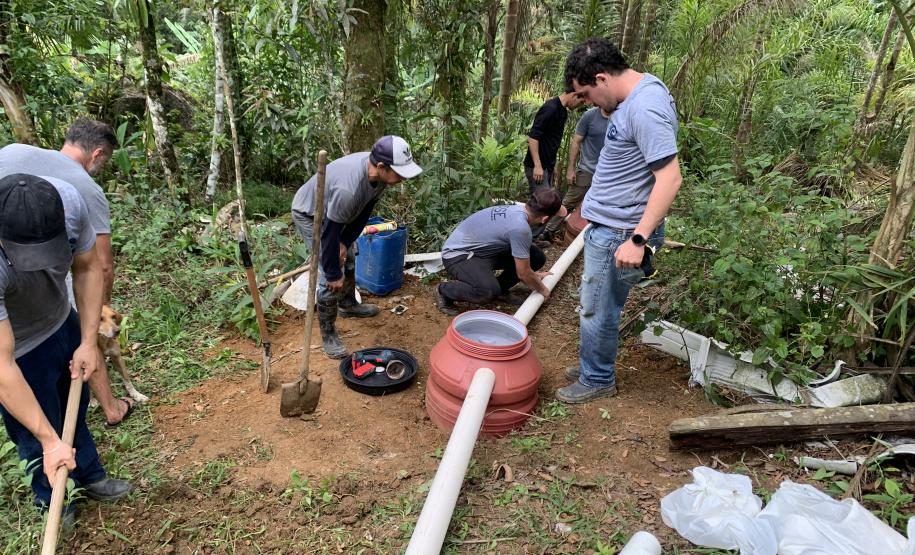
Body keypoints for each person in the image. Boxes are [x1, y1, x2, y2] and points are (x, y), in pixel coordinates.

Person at [0, 174, 131, 529]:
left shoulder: (70, 202)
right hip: (20, 346)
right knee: (35, 433)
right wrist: (48, 438)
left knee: (74, 407)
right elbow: (2, 366)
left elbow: (88, 268)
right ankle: (55, 503)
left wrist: (88, 340)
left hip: (61, 319)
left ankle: (91, 476)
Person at [556, 37, 682, 404]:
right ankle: (591, 365)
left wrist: (638, 240)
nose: (590, 103)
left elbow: (670, 177)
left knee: (599, 307)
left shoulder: (644, 109)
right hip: (613, 226)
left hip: (622, 232)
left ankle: (597, 379)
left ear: (601, 79)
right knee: (594, 302)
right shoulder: (642, 92)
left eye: (587, 94)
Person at [0, 118, 134, 427]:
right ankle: (110, 409)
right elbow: (100, 265)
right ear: (98, 153)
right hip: (48, 285)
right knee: (82, 337)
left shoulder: (12, 152)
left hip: (13, 301)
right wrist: (100, 311)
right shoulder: (83, 190)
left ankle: (58, 426)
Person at [292, 136, 422, 359]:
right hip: (311, 214)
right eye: (399, 173)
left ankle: (348, 304)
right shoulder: (348, 189)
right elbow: (329, 232)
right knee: (329, 275)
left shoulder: (379, 177)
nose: (402, 178)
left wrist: (345, 242)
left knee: (350, 255)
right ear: (381, 167)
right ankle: (329, 334)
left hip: (335, 215)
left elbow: (364, 211)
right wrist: (333, 272)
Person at [435, 189, 567, 316]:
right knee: (487, 291)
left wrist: (531, 275)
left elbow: (524, 268)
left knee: (536, 257)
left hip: (480, 250)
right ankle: (444, 291)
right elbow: (523, 273)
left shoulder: (519, 210)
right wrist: (543, 290)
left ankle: (501, 290)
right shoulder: (520, 228)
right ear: (544, 219)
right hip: (458, 255)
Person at [543, 105, 611, 238]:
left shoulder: (622, 116)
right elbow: (576, 141)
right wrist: (571, 169)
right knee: (569, 201)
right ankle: (547, 231)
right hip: (587, 169)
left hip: (609, 173)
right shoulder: (590, 116)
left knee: (606, 206)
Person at [523, 88, 586, 195]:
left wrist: (552, 166)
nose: (579, 106)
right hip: (537, 166)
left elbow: (551, 141)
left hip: (547, 166)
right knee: (543, 204)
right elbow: (533, 137)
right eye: (580, 102)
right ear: (574, 95)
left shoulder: (563, 112)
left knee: (541, 203)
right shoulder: (550, 108)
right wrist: (537, 166)